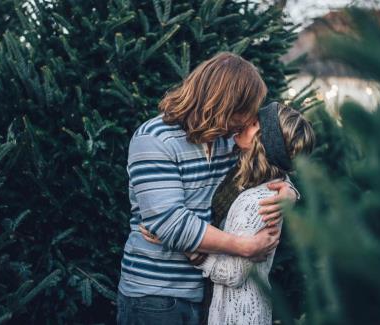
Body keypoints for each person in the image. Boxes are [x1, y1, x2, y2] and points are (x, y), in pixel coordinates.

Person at [117, 52, 298, 325]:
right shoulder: (154, 139)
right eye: (245, 109)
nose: (248, 118)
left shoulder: (228, 140)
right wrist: (243, 246)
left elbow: (268, 161)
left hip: (208, 293)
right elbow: (170, 223)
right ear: (223, 102)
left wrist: (289, 192)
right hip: (156, 296)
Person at [141, 102, 315, 325]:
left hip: (239, 314)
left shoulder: (260, 202)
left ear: (264, 142)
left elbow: (233, 273)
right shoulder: (246, 173)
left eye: (254, 124)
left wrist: (177, 240)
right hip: (221, 307)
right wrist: (292, 191)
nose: (244, 122)